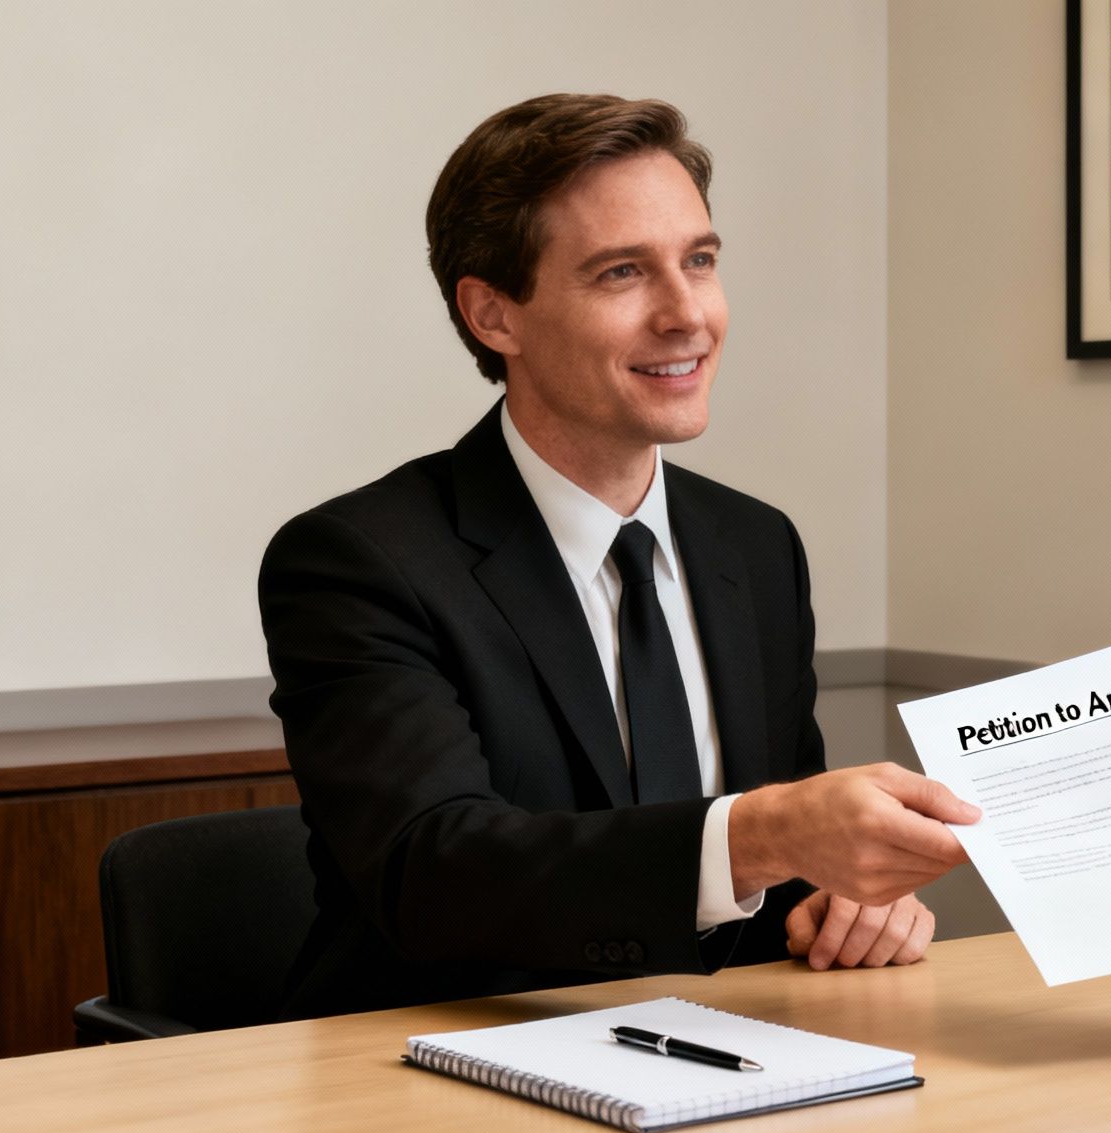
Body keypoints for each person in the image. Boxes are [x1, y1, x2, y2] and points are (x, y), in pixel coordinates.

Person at [259, 94, 978, 1019]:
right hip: (448, 1071)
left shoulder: (757, 547)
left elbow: (773, 874)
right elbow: (435, 879)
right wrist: (771, 835)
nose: (688, 316)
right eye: (622, 273)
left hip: (744, 1058)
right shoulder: (359, 561)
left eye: (702, 262)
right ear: (492, 314)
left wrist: (845, 899)